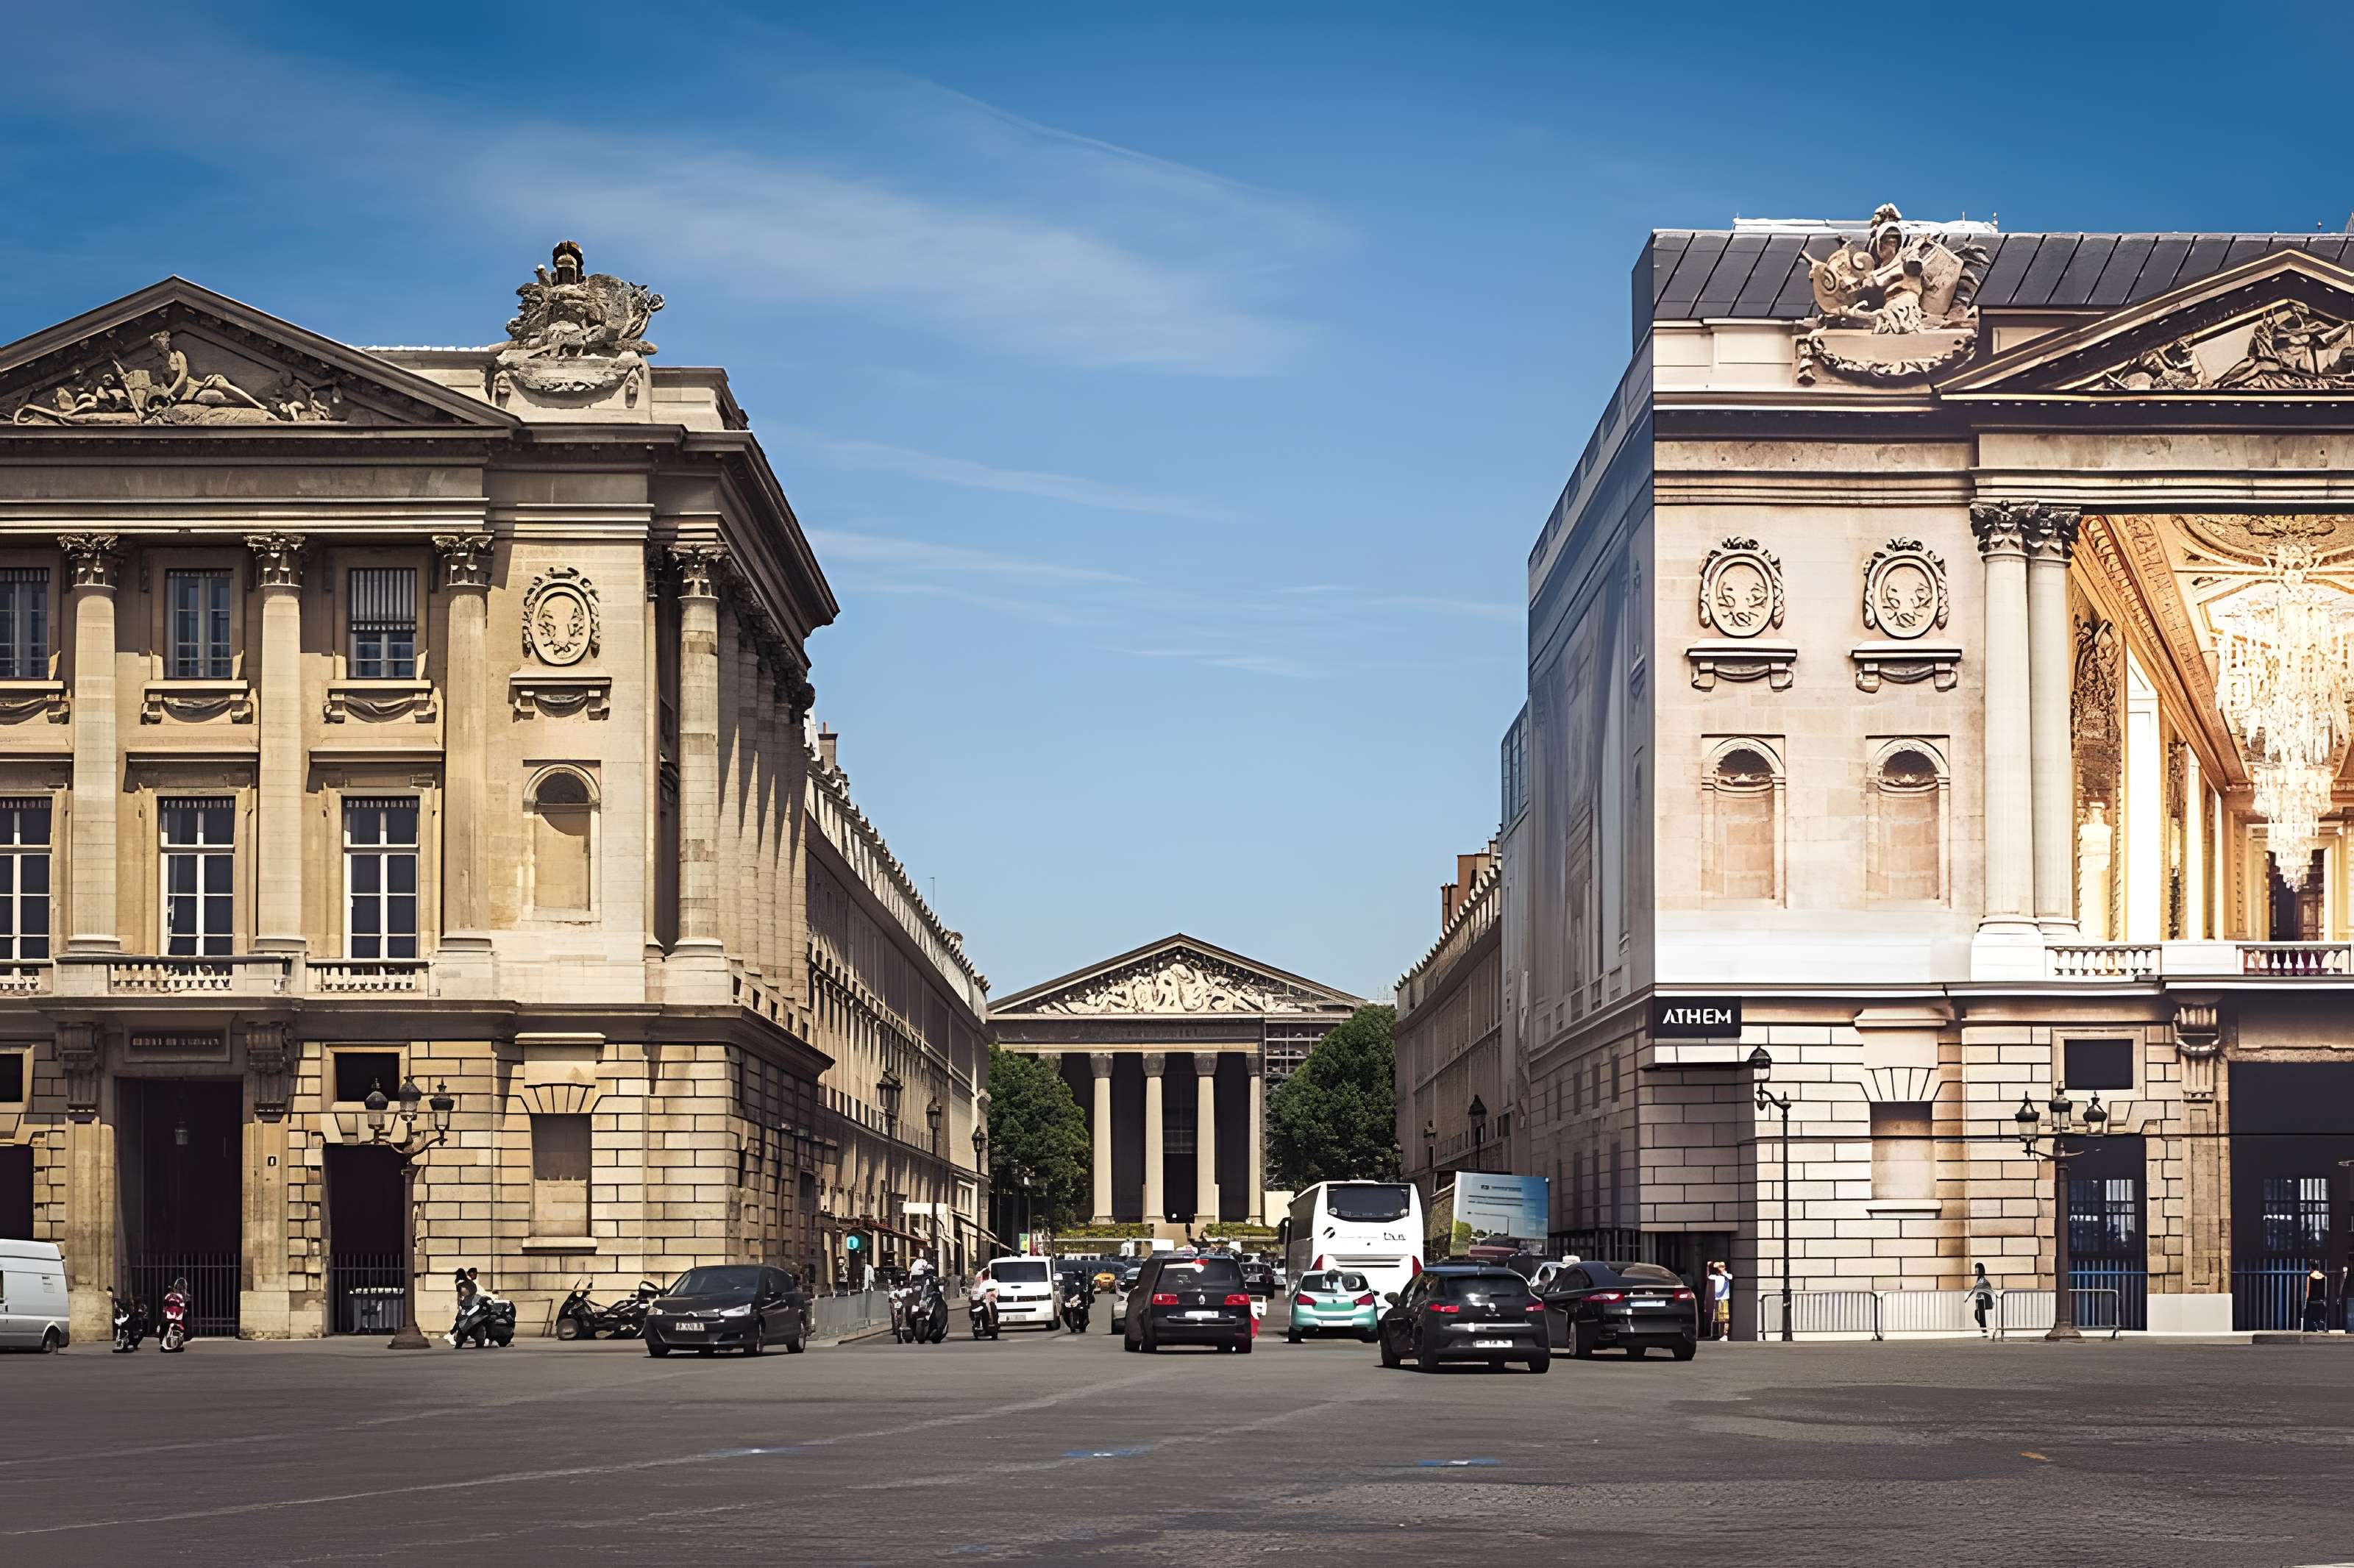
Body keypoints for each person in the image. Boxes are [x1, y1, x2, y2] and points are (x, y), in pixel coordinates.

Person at [1969, 1263, 1995, 1336]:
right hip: (1979, 1299)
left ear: (1980, 1269)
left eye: (1976, 1269)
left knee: (1980, 1315)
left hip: (1982, 1299)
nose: (1975, 1271)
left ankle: (1984, 1330)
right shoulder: (1979, 1280)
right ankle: (1984, 1330)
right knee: (1977, 1315)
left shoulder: (1982, 1280)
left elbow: (1988, 1290)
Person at [1707, 1261, 1732, 1341]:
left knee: (1725, 1318)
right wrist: (1708, 1267)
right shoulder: (1715, 1276)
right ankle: (1718, 1334)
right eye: (1719, 1267)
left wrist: (1723, 1272)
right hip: (1717, 1299)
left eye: (1722, 1266)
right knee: (1717, 1318)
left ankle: (1725, 1334)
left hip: (1724, 1299)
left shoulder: (1727, 1276)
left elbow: (1730, 1277)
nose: (1721, 1268)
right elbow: (1709, 1277)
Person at [2303, 1266, 2329, 1333]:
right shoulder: (2324, 1277)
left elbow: (2308, 1292)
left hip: (2312, 1301)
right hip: (2321, 1301)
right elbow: (2325, 1291)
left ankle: (2311, 1328)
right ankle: (2321, 1327)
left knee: (2308, 1314)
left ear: (2311, 1268)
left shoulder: (2309, 1277)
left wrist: (2305, 1302)